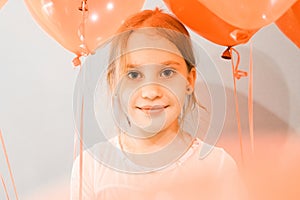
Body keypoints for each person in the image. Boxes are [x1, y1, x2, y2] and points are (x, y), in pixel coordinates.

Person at [71, 8, 245, 200]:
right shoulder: (92, 167)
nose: (151, 93)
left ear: (190, 80)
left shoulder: (217, 165)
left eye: (167, 73)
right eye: (134, 75)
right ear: (114, 83)